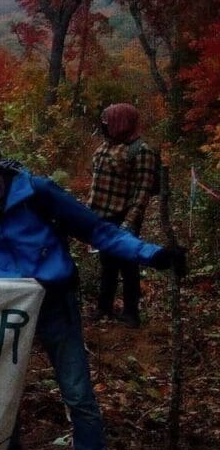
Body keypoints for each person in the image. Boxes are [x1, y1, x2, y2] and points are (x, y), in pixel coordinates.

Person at [0, 129, 183, 450]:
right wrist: (15, 284)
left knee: (78, 393)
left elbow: (97, 231)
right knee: (1, 396)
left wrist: (153, 254)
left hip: (56, 303)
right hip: (4, 308)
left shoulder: (38, 193)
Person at [88, 103, 159, 327]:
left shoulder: (140, 150)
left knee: (128, 265)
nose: (105, 125)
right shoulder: (106, 146)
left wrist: (130, 221)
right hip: (100, 215)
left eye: (109, 121)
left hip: (123, 216)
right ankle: (104, 307)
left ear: (121, 123)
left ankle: (131, 313)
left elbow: (143, 190)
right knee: (107, 263)